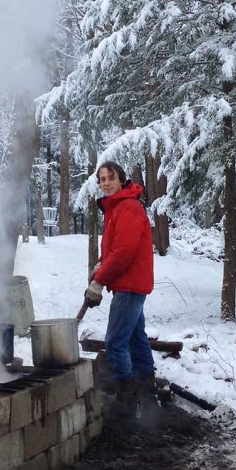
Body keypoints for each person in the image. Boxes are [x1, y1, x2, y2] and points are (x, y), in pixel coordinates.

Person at [85, 160, 156, 415]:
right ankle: (148, 393)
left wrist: (99, 281)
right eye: (102, 179)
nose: (106, 183)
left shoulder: (128, 208)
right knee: (136, 339)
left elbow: (124, 253)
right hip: (131, 285)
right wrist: (100, 265)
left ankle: (127, 400)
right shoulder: (117, 207)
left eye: (110, 178)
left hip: (129, 286)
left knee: (115, 343)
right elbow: (115, 250)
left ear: (122, 180)